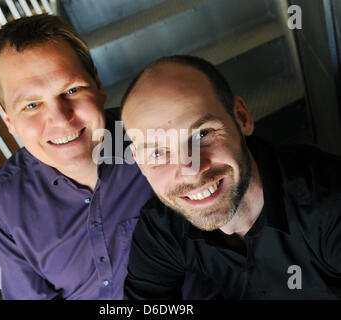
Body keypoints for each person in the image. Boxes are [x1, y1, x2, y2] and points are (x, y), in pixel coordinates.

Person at [121, 55, 341, 299]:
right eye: (158, 152)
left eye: (202, 134)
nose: (191, 170)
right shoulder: (161, 228)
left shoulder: (328, 201)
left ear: (242, 118)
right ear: (140, 162)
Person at [0, 14, 155, 299]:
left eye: (71, 90)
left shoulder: (152, 139)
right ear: (7, 119)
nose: (60, 119)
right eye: (32, 105)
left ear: (97, 84)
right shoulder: (4, 202)